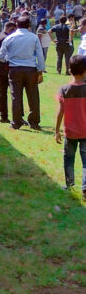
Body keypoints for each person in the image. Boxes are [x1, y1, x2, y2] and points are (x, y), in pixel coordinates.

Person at [0, 15, 45, 130]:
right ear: (29, 26)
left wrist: (8, 59)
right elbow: (40, 55)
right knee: (33, 96)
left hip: (15, 69)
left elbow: (0, 56)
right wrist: (40, 70)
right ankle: (34, 122)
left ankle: (16, 121)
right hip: (31, 69)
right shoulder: (33, 38)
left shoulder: (10, 38)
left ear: (16, 25)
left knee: (16, 96)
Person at [55, 54, 86, 201]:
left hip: (70, 132)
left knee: (69, 159)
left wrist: (56, 131)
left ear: (69, 70)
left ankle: (69, 184)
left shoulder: (64, 89)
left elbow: (60, 112)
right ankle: (85, 189)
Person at [0, 20, 16, 123]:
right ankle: (10, 116)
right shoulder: (6, 38)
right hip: (6, 68)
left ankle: (3, 115)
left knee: (2, 92)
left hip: (0, 69)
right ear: (11, 29)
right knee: (13, 92)